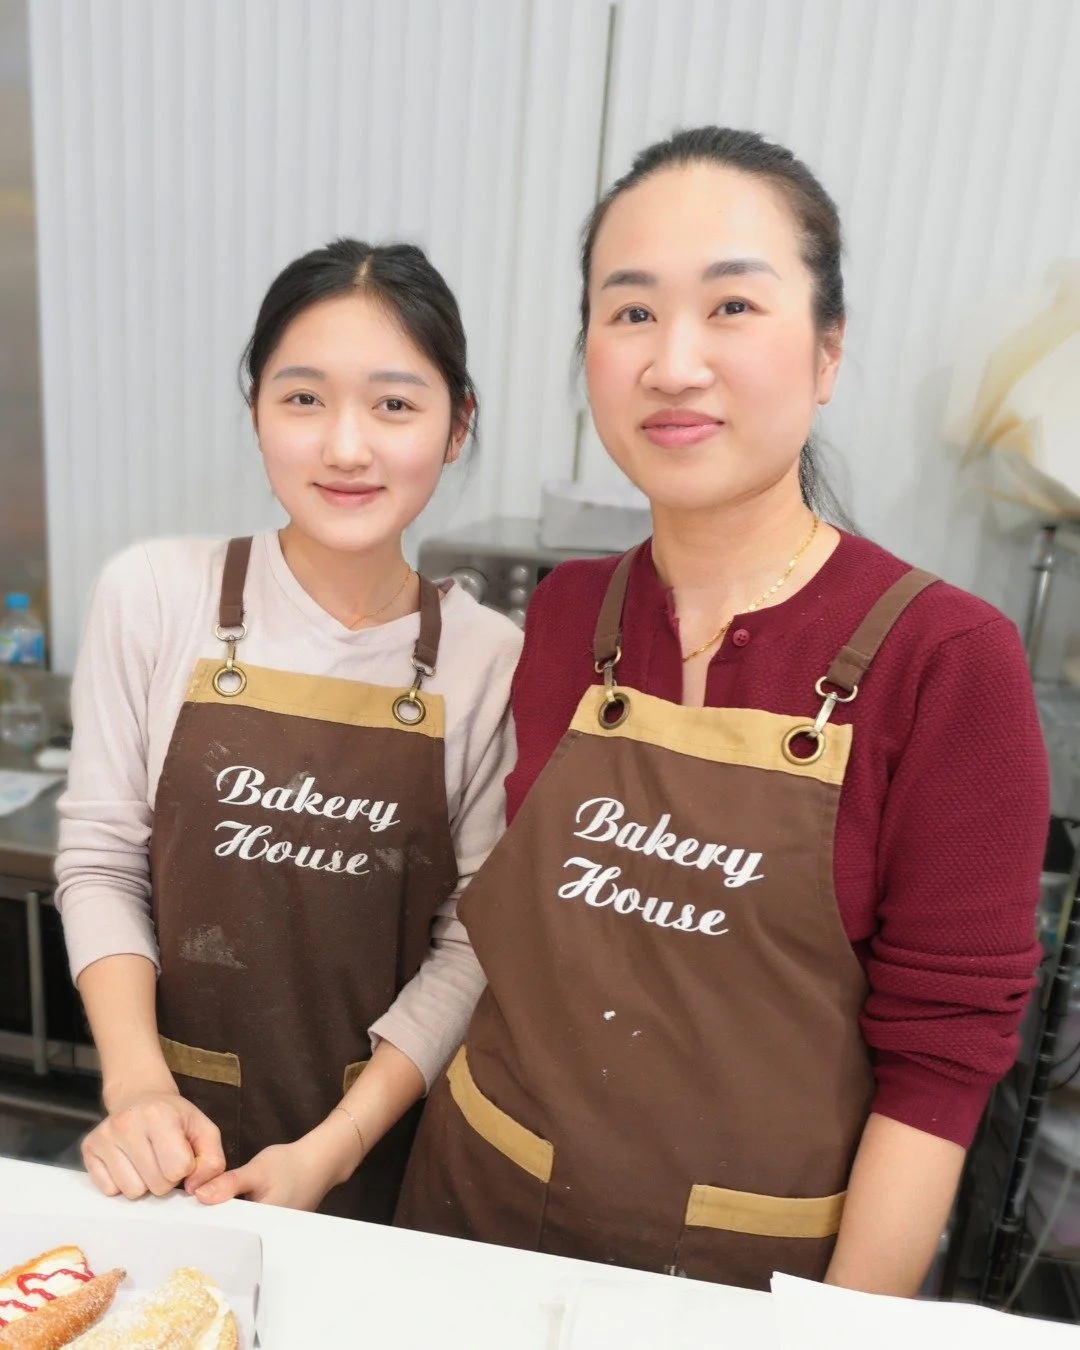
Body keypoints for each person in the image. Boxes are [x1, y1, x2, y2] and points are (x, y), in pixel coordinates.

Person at [394, 128, 1048, 1295]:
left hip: (745, 1282)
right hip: (470, 1221)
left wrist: (841, 1329)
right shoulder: (567, 617)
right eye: (631, 312)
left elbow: (944, 1063)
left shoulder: (948, 662)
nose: (674, 363)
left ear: (829, 349)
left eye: (733, 308)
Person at [57, 238, 521, 1220]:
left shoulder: (488, 658)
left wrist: (335, 1148)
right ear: (257, 409)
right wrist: (138, 1087)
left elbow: (474, 939)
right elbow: (101, 862)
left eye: (394, 404)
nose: (345, 447)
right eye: (303, 399)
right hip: (169, 1148)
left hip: (381, 1159)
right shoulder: (153, 595)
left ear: (455, 425)